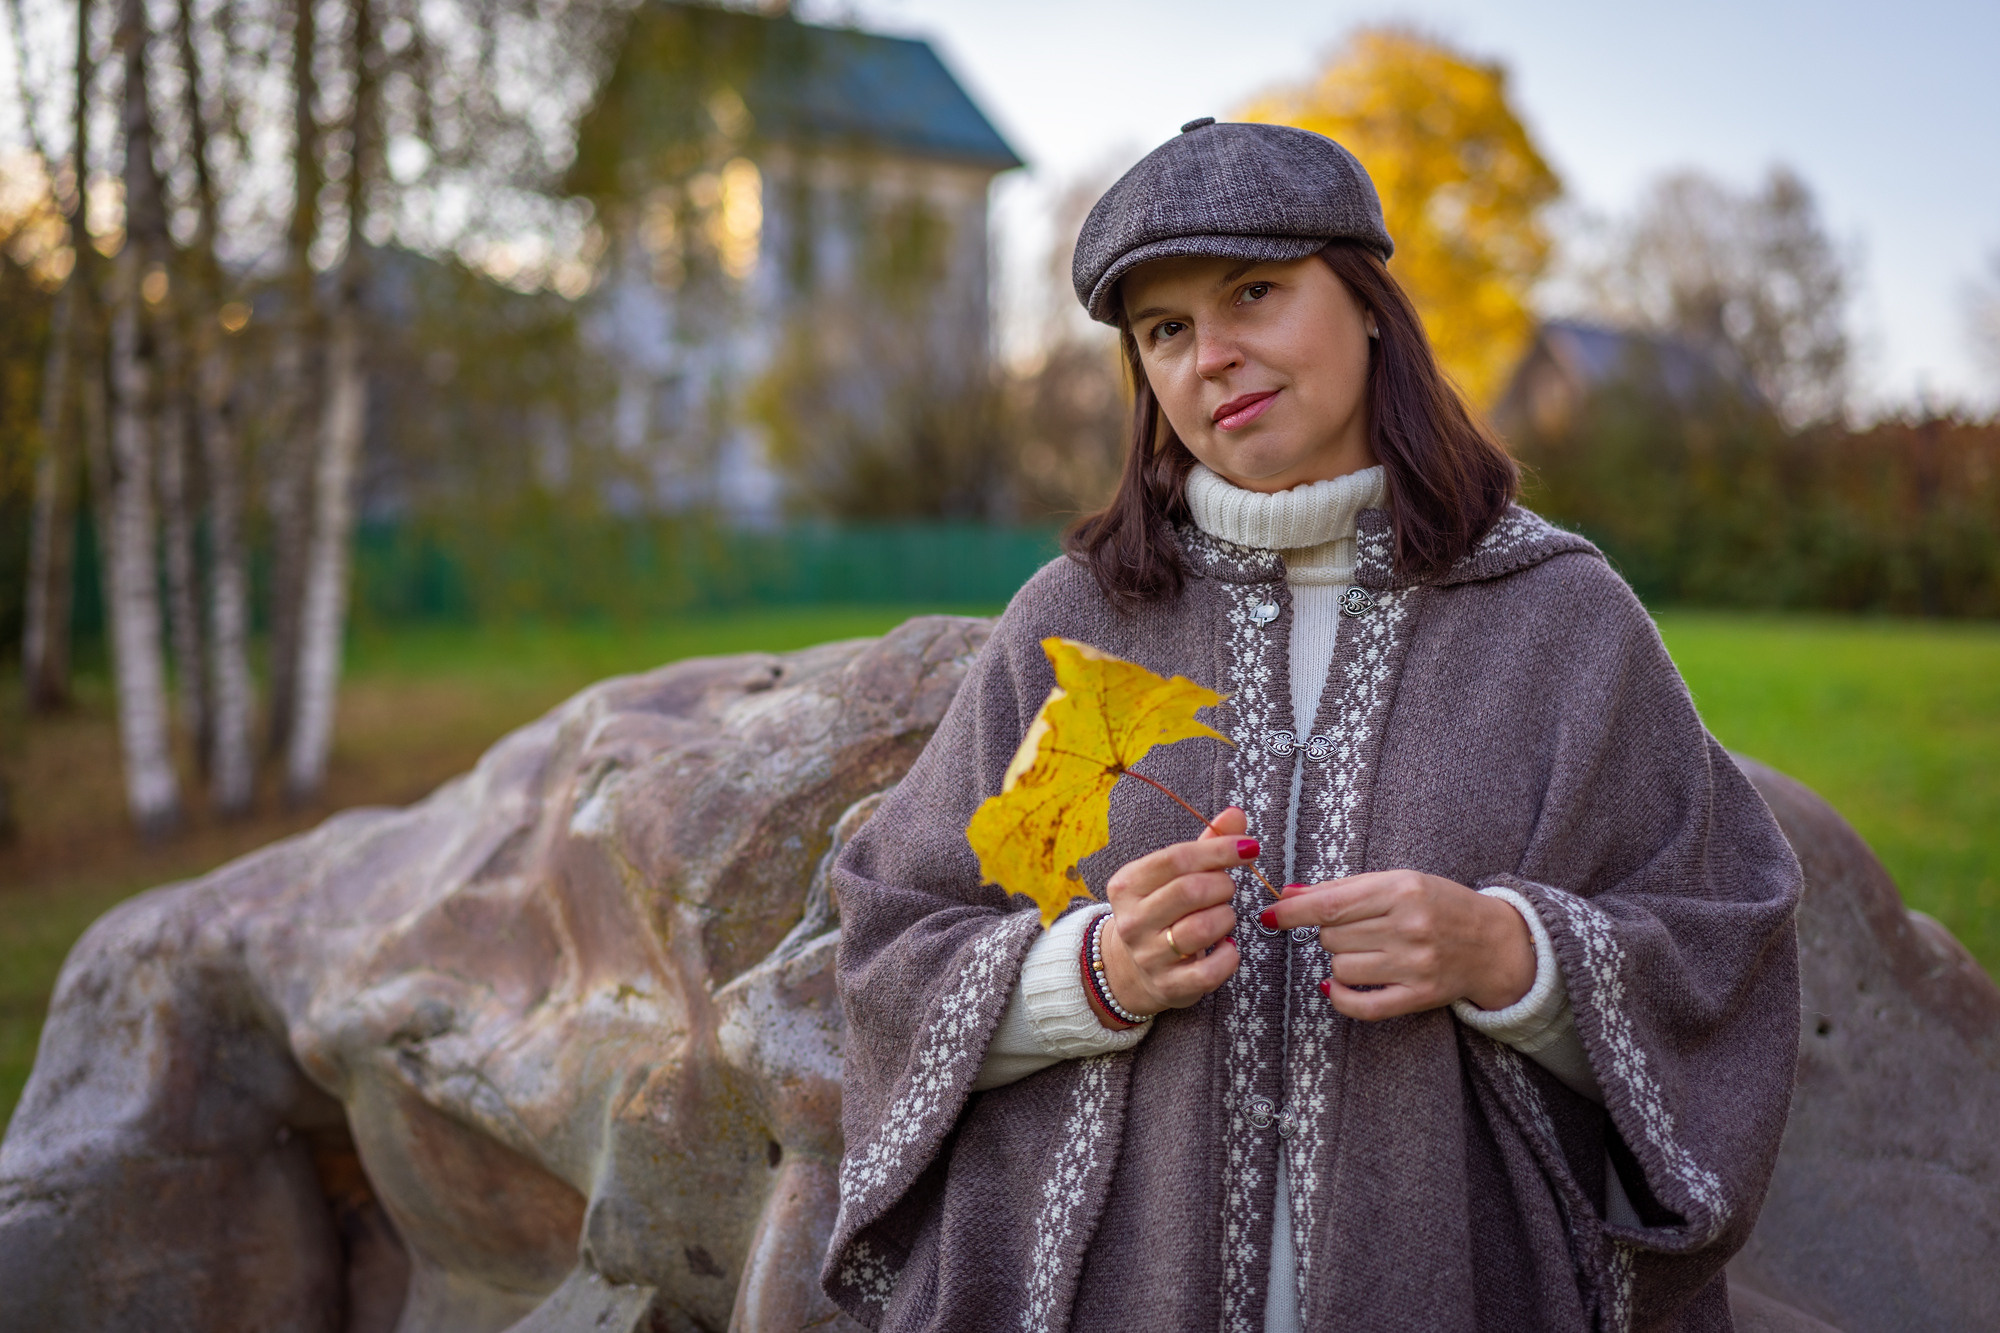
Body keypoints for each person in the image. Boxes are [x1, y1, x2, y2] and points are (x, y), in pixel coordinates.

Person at [821, 119, 1801, 1332]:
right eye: (1164, 329)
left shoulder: (1563, 621)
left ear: (1370, 304)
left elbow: (1727, 936)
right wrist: (1093, 974)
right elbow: (887, 939)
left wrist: (1509, 954)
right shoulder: (1071, 621)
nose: (1211, 357)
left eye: (1255, 293)